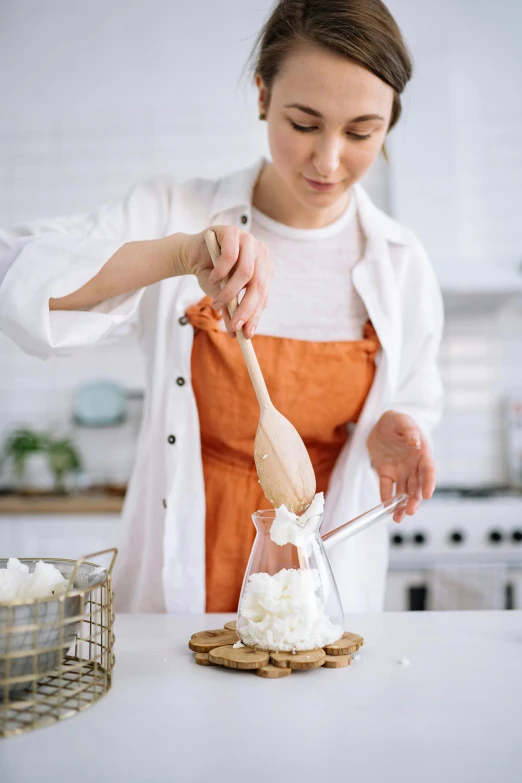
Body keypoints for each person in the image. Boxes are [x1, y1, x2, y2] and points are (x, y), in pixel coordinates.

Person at [0, 0, 443, 615]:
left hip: (319, 598)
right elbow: (16, 274)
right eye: (304, 124)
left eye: (362, 131)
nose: (329, 160)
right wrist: (179, 256)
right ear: (262, 95)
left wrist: (390, 428)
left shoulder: (401, 264)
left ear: (390, 120)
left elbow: (415, 400)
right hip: (176, 590)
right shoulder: (174, 212)